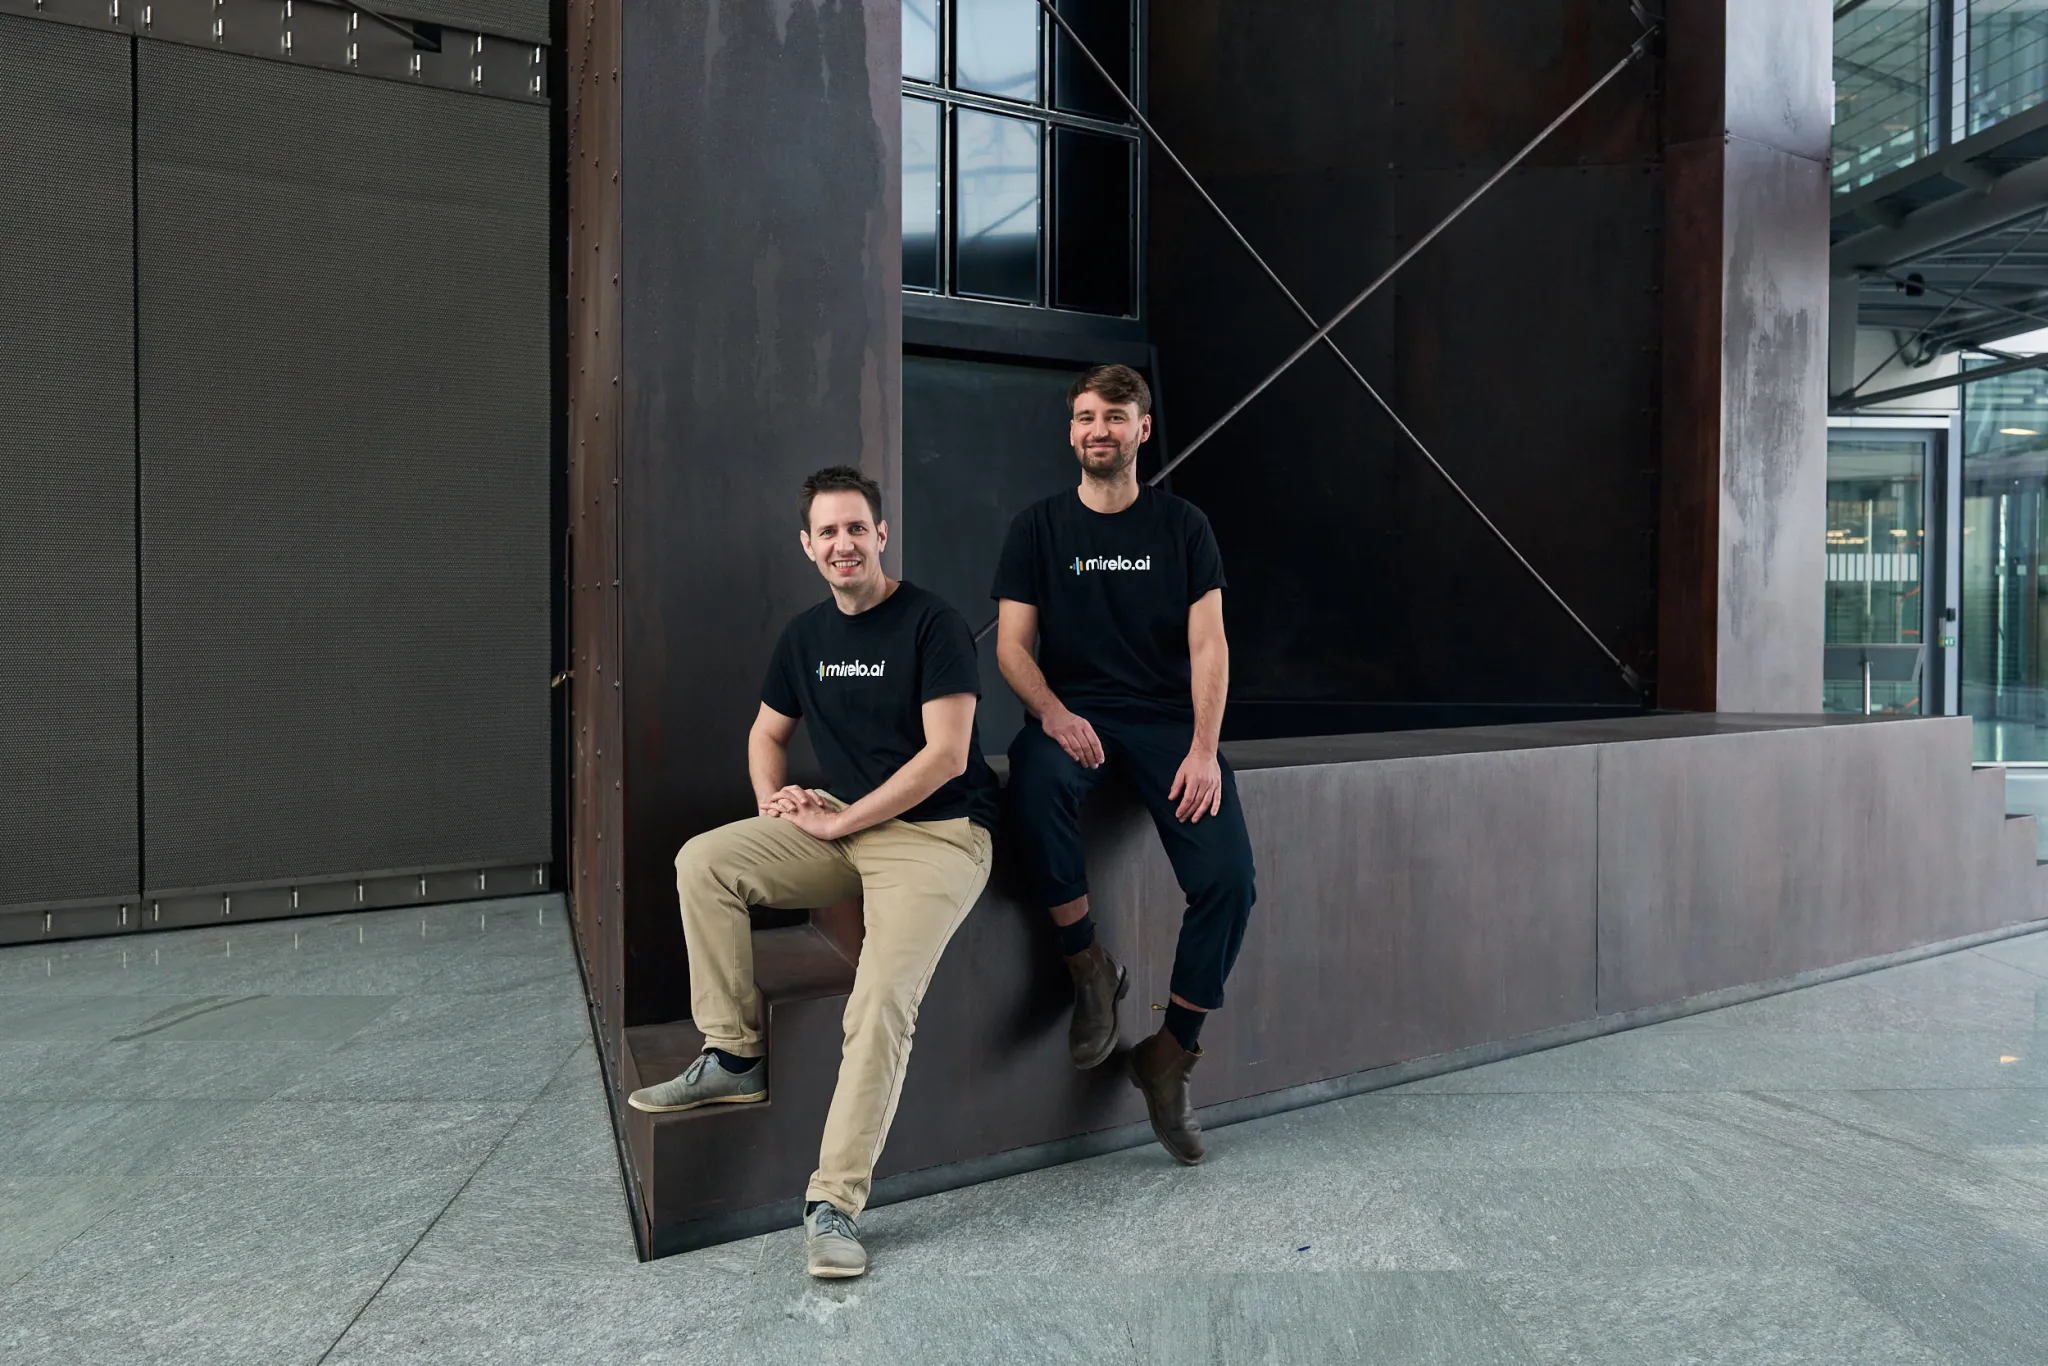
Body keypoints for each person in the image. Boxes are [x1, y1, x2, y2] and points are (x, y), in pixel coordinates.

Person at [627, 465, 999, 1280]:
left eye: (856, 528)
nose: (843, 544)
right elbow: (766, 735)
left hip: (936, 835)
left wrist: (839, 819)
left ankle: (834, 1205)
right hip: (846, 820)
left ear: (881, 534)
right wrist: (777, 800)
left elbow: (947, 757)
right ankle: (733, 1055)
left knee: (879, 1001)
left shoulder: (931, 623)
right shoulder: (805, 637)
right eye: (827, 532)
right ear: (807, 545)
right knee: (705, 862)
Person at [991, 363, 1256, 1166]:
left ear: (1143, 428)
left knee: (1228, 880)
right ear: (1071, 431)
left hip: (1168, 726)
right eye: (1084, 417)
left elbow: (1209, 646)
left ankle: (1170, 1054)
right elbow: (1012, 647)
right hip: (1074, 716)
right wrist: (1052, 712)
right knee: (1034, 781)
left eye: (1114, 416)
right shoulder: (1037, 528)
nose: (1097, 430)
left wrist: (1203, 750)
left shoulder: (1184, 527)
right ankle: (1088, 964)